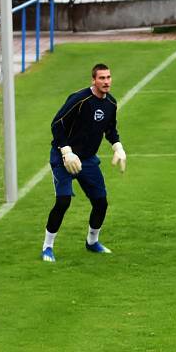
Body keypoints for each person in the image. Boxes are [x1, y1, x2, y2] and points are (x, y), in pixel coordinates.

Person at [41, 64, 127, 262]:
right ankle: (47, 247)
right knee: (63, 201)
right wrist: (65, 150)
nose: (106, 82)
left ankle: (92, 242)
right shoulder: (79, 100)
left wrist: (118, 147)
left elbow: (110, 130)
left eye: (108, 77)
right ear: (93, 80)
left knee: (101, 202)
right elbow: (57, 124)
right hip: (64, 158)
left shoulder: (111, 104)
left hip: (87, 160)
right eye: (102, 78)